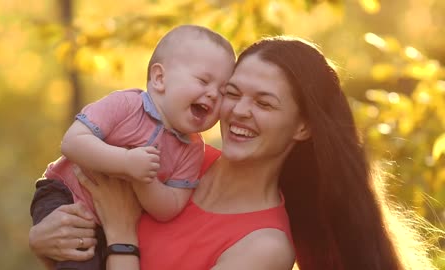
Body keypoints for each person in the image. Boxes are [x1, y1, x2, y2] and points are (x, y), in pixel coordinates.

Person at [29, 36, 440, 270]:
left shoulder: (265, 246)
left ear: (303, 127)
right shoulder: (178, 159)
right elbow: (79, 217)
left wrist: (121, 237)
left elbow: (114, 228)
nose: (240, 111)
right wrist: (46, 238)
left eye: (264, 103)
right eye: (233, 92)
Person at [29, 24, 235, 269]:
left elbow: (169, 208)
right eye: (203, 81)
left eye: (223, 91)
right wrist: (125, 163)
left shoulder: (191, 149)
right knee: (78, 257)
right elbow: (72, 143)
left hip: (111, 222)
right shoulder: (126, 104)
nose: (213, 94)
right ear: (160, 78)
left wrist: (144, 179)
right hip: (65, 194)